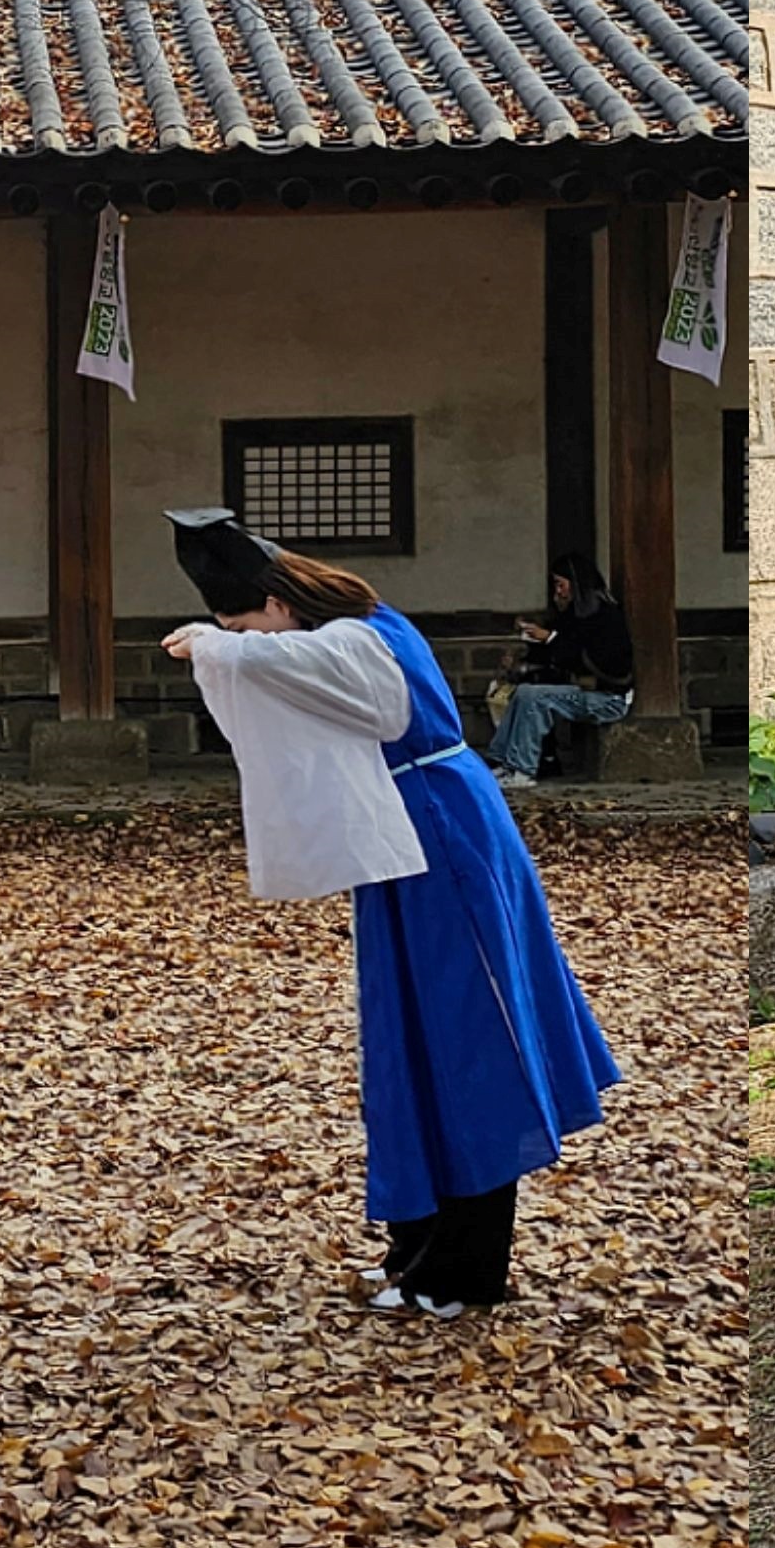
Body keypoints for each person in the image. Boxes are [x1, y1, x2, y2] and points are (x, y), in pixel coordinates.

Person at [162, 508, 620, 1317]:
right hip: (406, 839)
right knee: (407, 1041)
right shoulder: (346, 634)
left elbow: (301, 665)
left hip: (444, 839)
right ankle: (417, 1250)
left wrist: (217, 643)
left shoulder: (359, 638)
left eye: (251, 623)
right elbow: (289, 664)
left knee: (468, 1041)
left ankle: (463, 1269)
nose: (253, 643)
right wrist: (226, 640)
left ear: (278, 604)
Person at [483, 553, 636, 781]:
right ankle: (502, 760)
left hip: (608, 698)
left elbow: (590, 659)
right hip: (582, 692)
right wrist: (529, 647)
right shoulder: (573, 615)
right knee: (523, 693)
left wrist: (551, 638)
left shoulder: (606, 618)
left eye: (561, 585)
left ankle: (522, 770)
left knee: (535, 698)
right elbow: (555, 652)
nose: (559, 591)